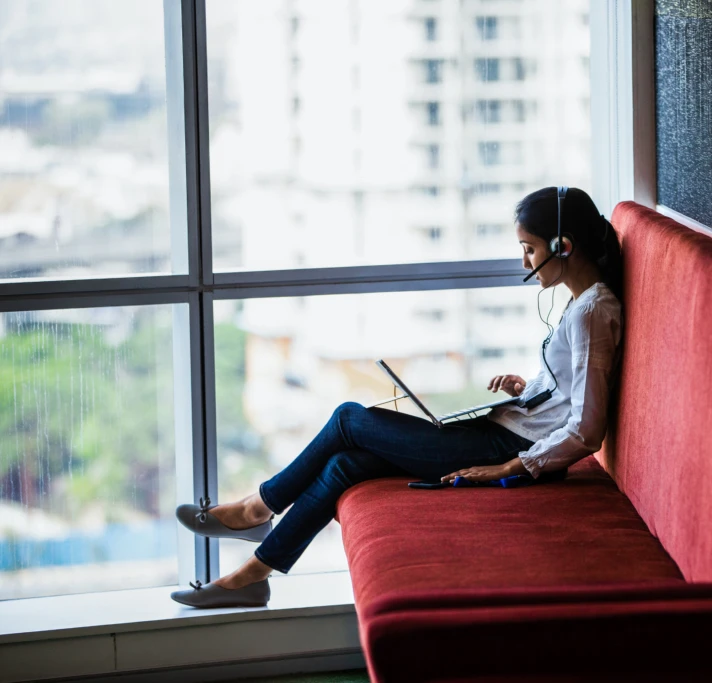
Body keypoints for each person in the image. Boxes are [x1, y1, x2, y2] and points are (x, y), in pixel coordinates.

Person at [171, 187, 624, 608]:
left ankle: (255, 509)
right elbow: (572, 392)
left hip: (510, 449)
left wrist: (508, 468)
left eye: (530, 249)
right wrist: (528, 388)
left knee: (348, 419)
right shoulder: (580, 303)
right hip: (506, 429)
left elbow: (587, 429)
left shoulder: (591, 312)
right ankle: (254, 576)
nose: (524, 262)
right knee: (345, 465)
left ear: (563, 246)